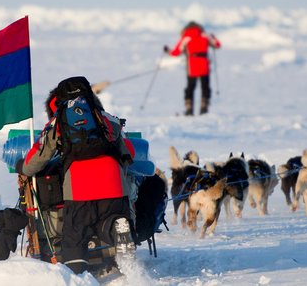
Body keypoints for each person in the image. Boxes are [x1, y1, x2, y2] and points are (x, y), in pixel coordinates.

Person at [15, 76, 136, 275]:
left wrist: (24, 167)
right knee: (109, 220)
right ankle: (116, 225)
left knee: (74, 237)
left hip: (80, 189)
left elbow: (38, 156)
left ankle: (77, 276)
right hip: (113, 184)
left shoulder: (59, 121)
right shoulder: (104, 117)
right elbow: (129, 152)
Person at [164, 21, 221, 116]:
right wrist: (214, 37)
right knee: (205, 86)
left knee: (190, 87)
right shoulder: (205, 35)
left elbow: (176, 52)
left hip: (192, 65)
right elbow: (217, 45)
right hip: (204, 64)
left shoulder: (186, 37)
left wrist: (167, 51)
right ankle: (204, 107)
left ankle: (189, 107)